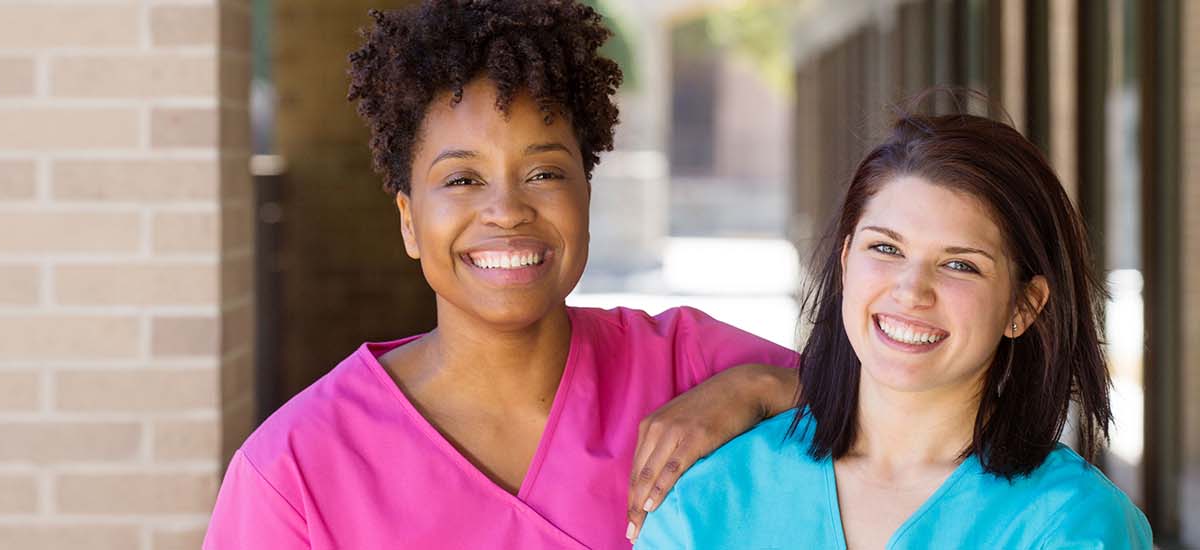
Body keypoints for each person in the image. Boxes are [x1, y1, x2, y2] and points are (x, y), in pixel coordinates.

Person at [203, 1, 800, 548]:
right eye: (462, 180)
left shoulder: (689, 368)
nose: (508, 210)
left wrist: (764, 391)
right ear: (409, 223)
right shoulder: (295, 468)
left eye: (544, 173)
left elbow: (884, 411)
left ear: (585, 197)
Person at [634, 111, 1153, 548]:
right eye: (885, 248)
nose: (911, 290)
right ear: (844, 262)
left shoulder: (1072, 524)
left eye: (961, 265)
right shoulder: (714, 495)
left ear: (1024, 305)